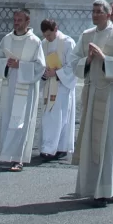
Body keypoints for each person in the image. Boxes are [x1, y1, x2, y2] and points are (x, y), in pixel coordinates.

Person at [72, 0, 113, 203]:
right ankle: (93, 185)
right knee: (93, 142)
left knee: (110, 141)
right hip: (93, 95)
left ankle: (107, 188)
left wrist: (105, 59)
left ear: (108, 15)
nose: (95, 15)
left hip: (111, 96)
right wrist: (88, 61)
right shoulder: (86, 36)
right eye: (93, 11)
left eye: (99, 12)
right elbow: (74, 62)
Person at [0, 7, 40, 169]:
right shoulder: (7, 39)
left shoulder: (34, 41)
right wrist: (7, 64)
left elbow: (40, 66)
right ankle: (6, 155)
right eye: (15, 20)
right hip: (9, 86)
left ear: (27, 21)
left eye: (20, 20)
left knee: (22, 122)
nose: (16, 23)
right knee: (7, 119)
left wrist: (21, 65)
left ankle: (19, 159)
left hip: (25, 88)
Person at [33, 16, 77, 161]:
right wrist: (44, 73)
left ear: (56, 29)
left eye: (49, 35)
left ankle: (58, 148)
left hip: (62, 85)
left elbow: (73, 66)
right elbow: (38, 63)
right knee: (48, 117)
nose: (47, 38)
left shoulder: (67, 42)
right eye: (45, 35)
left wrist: (57, 73)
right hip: (48, 85)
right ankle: (49, 147)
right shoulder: (43, 43)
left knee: (60, 117)